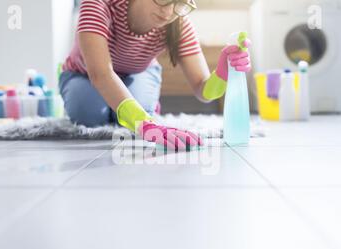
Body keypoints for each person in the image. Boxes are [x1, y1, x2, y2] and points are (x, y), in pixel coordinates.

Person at [60, 0, 251, 150]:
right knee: (88, 114)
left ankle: (132, 107)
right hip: (83, 74)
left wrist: (223, 73)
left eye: (180, 3)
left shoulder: (179, 23)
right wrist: (144, 124)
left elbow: (203, 88)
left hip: (138, 73)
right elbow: (100, 74)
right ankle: (119, 109)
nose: (168, 12)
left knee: (137, 113)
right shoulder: (98, 4)